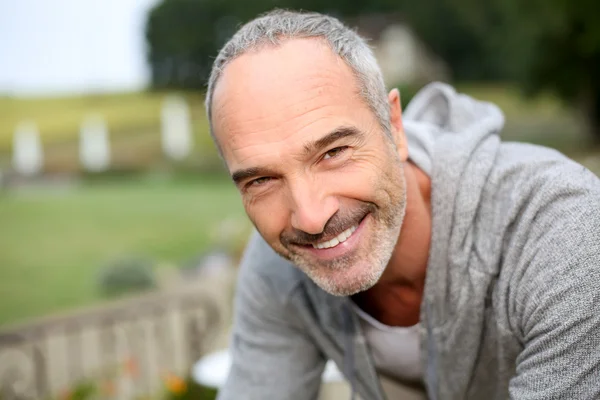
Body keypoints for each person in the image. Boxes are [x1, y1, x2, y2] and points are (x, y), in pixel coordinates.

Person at [205, 9, 600, 400]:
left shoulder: (562, 231)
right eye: (262, 180)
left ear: (394, 127)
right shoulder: (275, 270)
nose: (309, 217)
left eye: (333, 152)